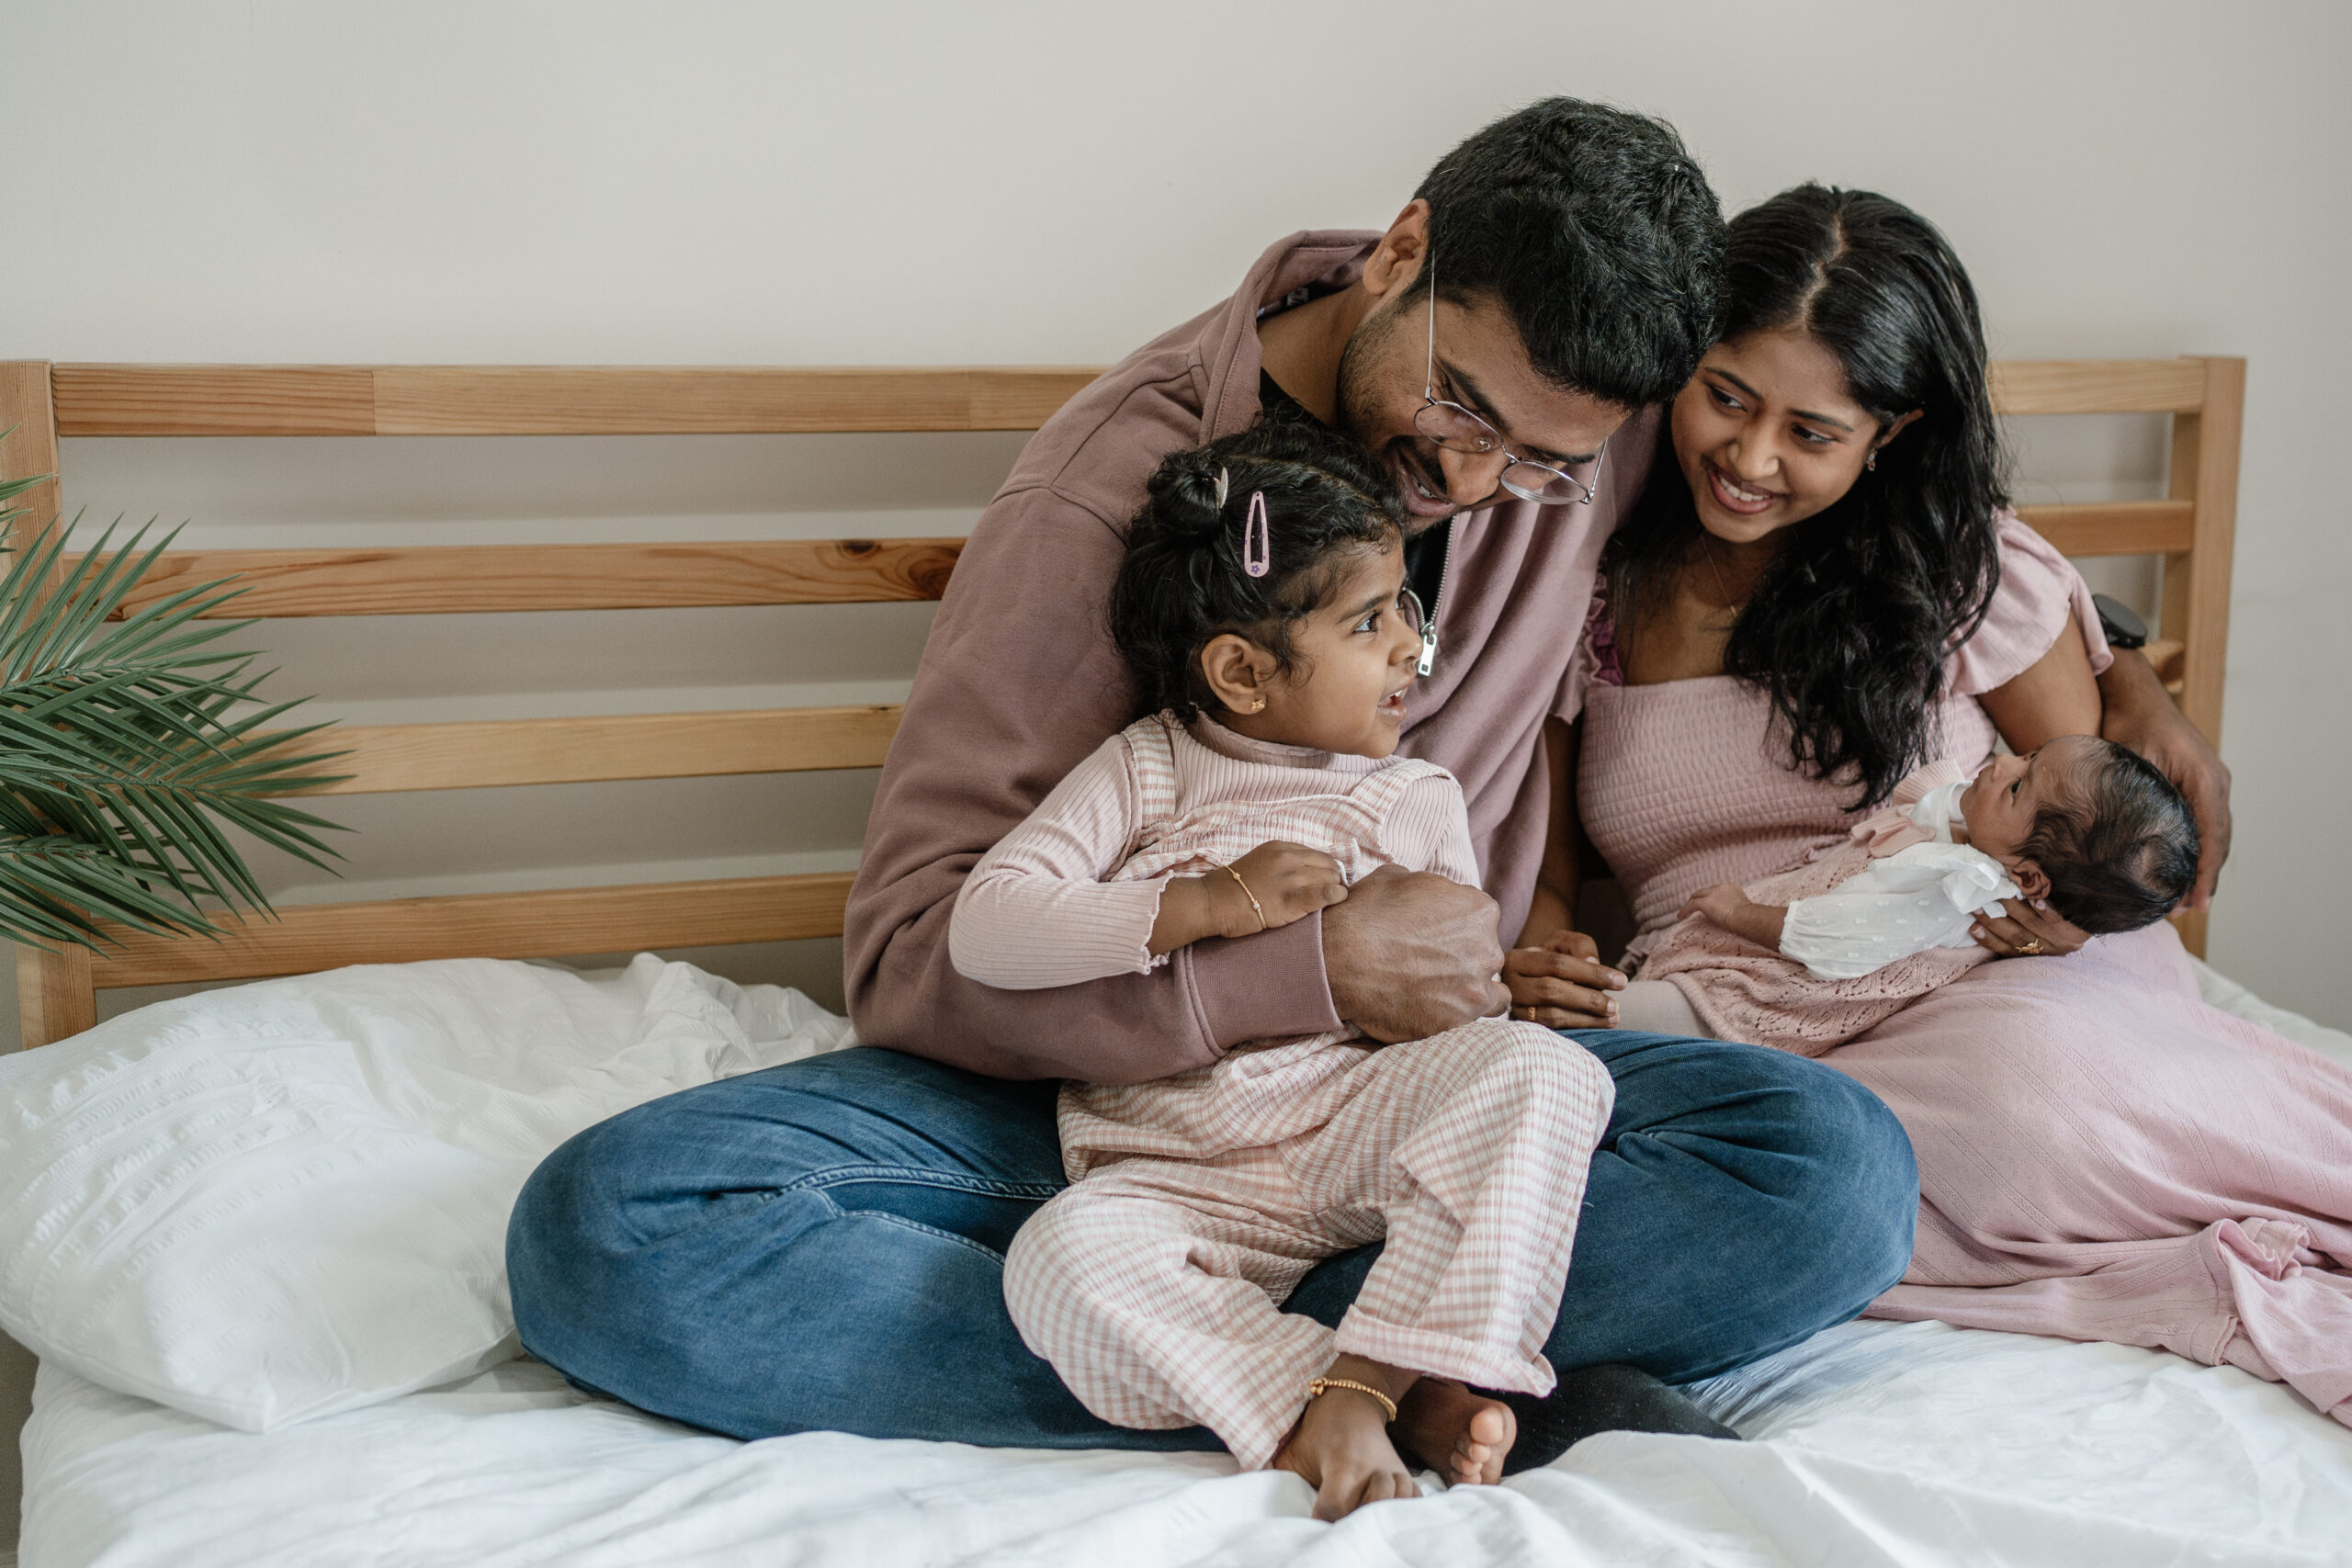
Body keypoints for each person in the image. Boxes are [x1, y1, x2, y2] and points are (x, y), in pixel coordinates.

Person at [502, 101, 1940, 1469]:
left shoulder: (1573, 446)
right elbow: (907, 952)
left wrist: (2110, 680)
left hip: (1425, 1098)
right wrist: (1300, 969)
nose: (1470, 473)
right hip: (1117, 1102)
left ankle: (1327, 1353)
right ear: (1399, 252)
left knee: (1839, 1171)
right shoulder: (1107, 501)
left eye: (1540, 461)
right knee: (613, 1229)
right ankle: (1411, 1368)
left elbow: (1866, 464)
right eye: (1459, 407)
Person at [1538, 182, 2352, 1427]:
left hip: (1978, 977)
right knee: (1657, 1125)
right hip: (1734, 994)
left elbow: (2084, 821)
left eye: (1812, 432)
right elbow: (1544, 874)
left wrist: (2058, 912)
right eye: (1727, 398)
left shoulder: (1965, 570)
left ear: (1892, 433)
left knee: (2024, 1098)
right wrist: (1550, 953)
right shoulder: (1578, 581)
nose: (1751, 459)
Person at [960, 424, 1615, 1517]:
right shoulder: (1149, 769)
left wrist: (1507, 986)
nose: (1412, 646)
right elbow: (985, 926)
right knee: (1058, 1261)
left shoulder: (1415, 795)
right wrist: (1209, 904)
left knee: (1544, 1074)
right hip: (1175, 1172)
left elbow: (1453, 1007)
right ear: (1240, 672)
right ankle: (1345, 1397)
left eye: (1407, 607)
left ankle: (1389, 1367)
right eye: (1369, 621)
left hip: (1351, 1126)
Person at [1633, 739, 2197, 1052]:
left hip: (1751, 1005)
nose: (2002, 762)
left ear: (2028, 879)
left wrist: (1738, 910)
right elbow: (1944, 800)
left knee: (1611, 1021)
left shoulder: (1952, 889)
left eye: (2018, 785)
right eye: (2030, 754)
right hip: (1735, 964)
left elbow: (1832, 940)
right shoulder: (1987, 841)